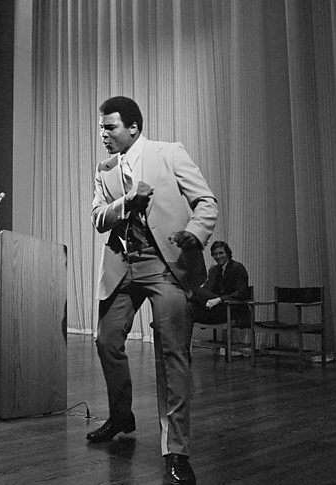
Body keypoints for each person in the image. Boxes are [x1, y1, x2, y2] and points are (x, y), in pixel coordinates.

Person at [88, 96, 218, 484]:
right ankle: (121, 415)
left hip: (166, 266)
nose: (103, 134)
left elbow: (206, 202)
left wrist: (195, 234)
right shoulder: (105, 170)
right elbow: (98, 218)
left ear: (133, 128)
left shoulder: (169, 153)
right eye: (101, 128)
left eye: (109, 127)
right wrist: (128, 202)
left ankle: (176, 451)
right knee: (106, 340)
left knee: (171, 354)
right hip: (123, 266)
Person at [192, 241, 250, 327]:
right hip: (216, 309)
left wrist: (219, 299)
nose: (218, 256)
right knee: (189, 305)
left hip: (233, 308)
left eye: (221, 253)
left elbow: (241, 293)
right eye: (215, 254)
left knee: (194, 291)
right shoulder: (213, 270)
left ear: (227, 253)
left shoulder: (238, 268)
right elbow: (208, 290)